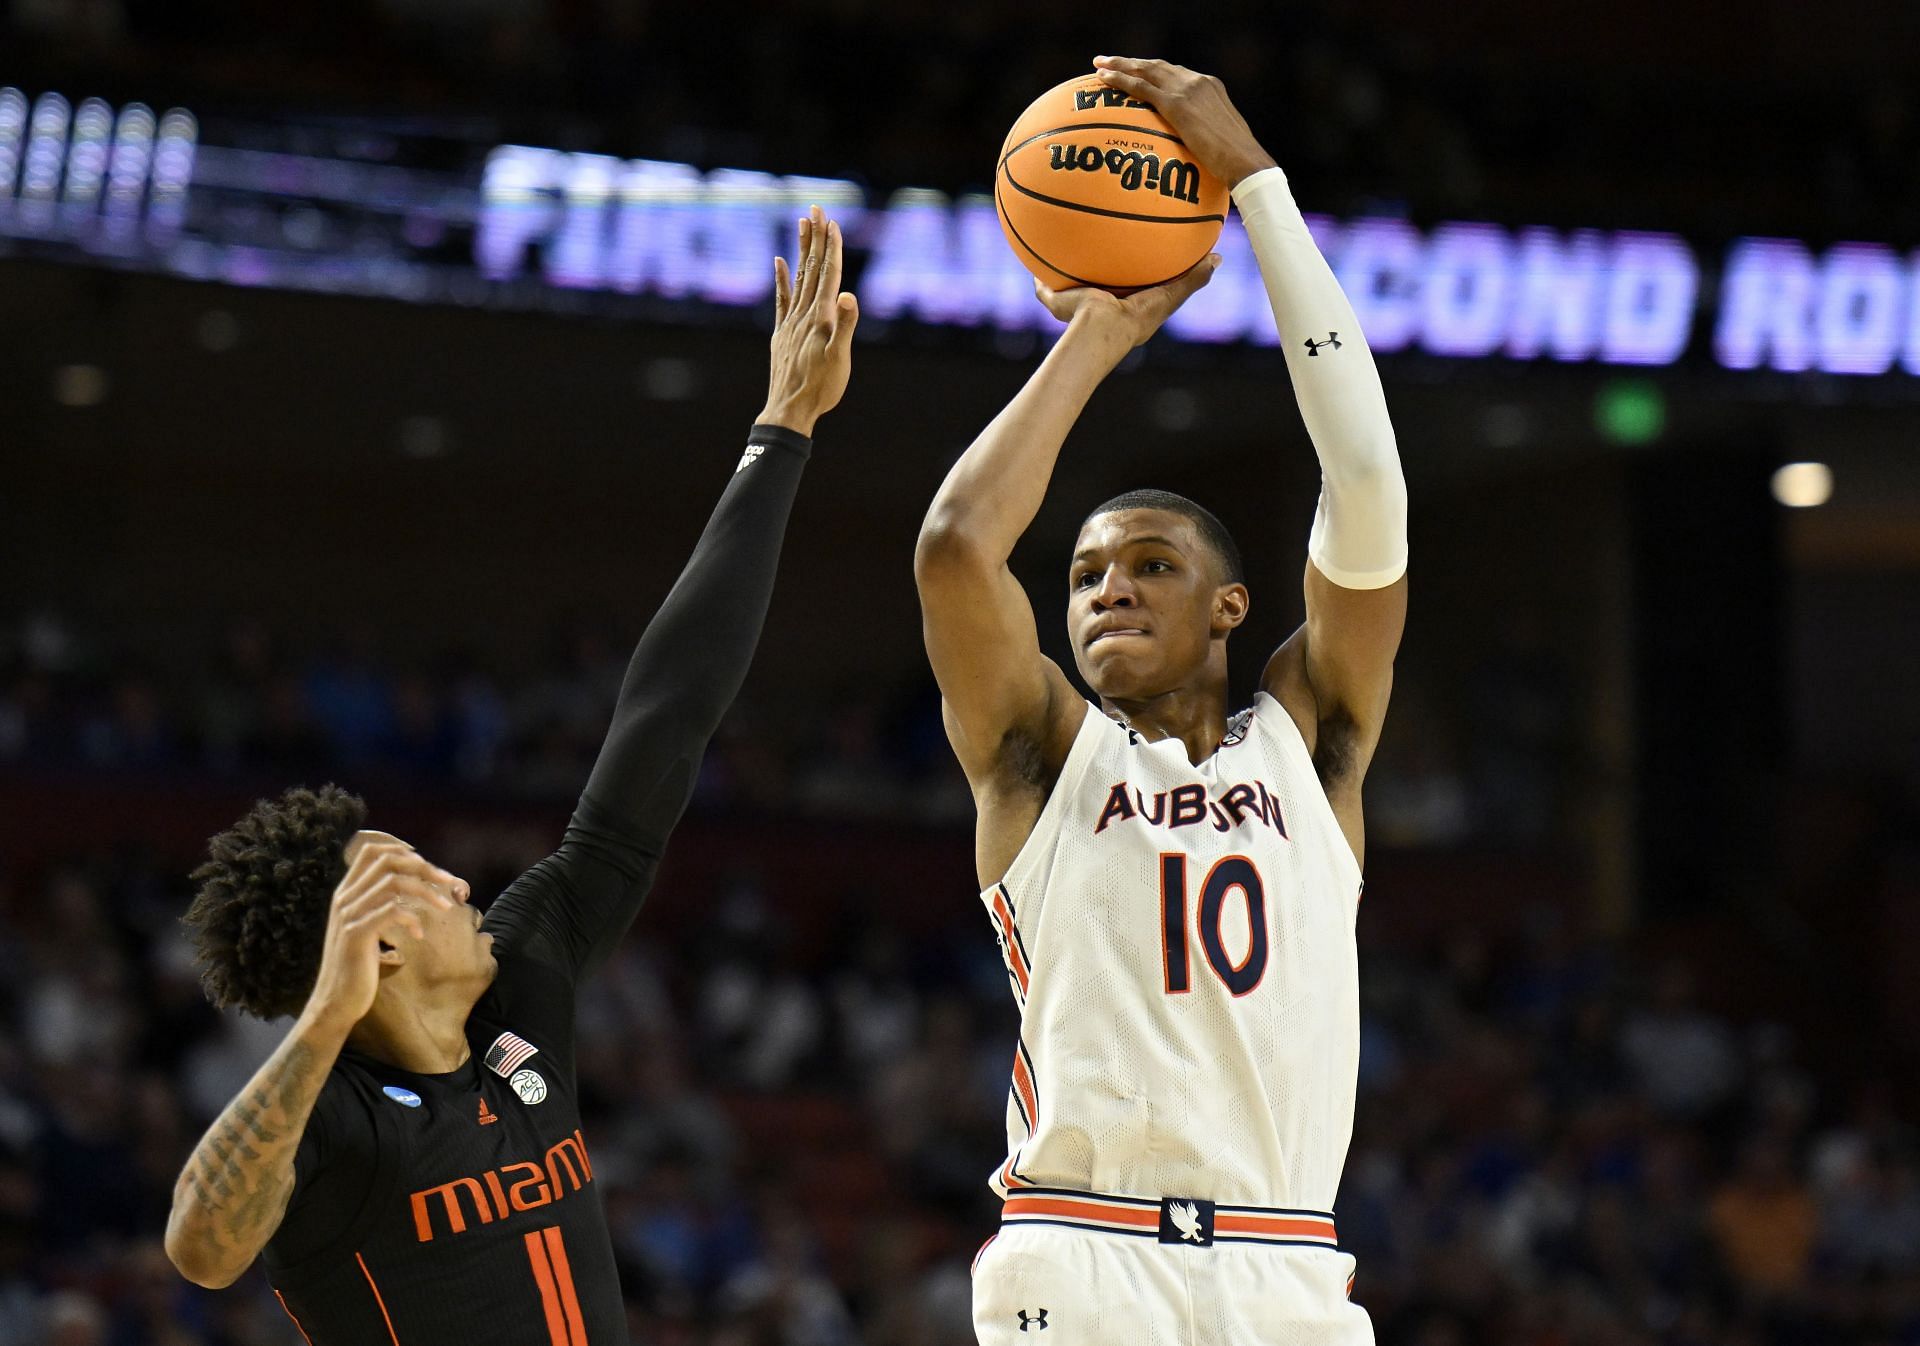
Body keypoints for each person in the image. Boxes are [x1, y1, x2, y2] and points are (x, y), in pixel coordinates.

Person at [163, 205, 861, 1345]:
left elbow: (666, 716)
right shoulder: (332, 1123)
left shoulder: (521, 977)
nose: (454, 880)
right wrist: (326, 1016)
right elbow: (201, 1246)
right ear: (367, 942)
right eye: (413, 876)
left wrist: (782, 427)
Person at [913, 57, 1408, 1345]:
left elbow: (1365, 483)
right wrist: (1100, 331)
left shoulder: (1318, 738)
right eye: (1082, 575)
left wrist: (1257, 189)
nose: (1106, 592)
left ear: (1231, 608)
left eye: (1149, 566)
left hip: (1288, 1263)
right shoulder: (1038, 757)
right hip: (1082, 1252)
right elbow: (960, 544)